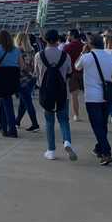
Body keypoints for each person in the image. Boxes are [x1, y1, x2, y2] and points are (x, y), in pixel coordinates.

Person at [75, 34, 112, 166]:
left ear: (90, 44)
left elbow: (76, 67)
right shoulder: (110, 58)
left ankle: (106, 152)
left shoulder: (86, 57)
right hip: (107, 96)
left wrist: (83, 52)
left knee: (97, 125)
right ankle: (99, 148)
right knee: (102, 124)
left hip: (92, 97)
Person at [35, 29, 75, 161]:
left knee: (49, 121)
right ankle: (67, 141)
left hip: (46, 92)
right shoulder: (65, 56)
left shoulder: (39, 56)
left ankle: (51, 150)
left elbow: (37, 74)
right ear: (58, 40)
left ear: (45, 40)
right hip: (62, 92)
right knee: (64, 119)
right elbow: (69, 73)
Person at [0, 30, 22, 138]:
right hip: (14, 76)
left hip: (2, 76)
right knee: (4, 100)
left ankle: (12, 129)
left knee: (6, 102)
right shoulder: (16, 50)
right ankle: (3, 126)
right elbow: (21, 65)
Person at [14, 32, 39, 132]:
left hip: (22, 79)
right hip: (32, 78)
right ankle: (17, 121)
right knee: (23, 102)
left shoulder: (17, 51)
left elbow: (21, 66)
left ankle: (35, 124)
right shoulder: (32, 50)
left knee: (27, 102)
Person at [62, 29, 84, 122]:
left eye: (68, 35)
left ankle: (76, 115)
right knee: (88, 94)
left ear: (72, 36)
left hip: (72, 73)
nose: (67, 37)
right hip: (84, 72)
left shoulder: (67, 47)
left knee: (74, 95)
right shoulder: (84, 46)